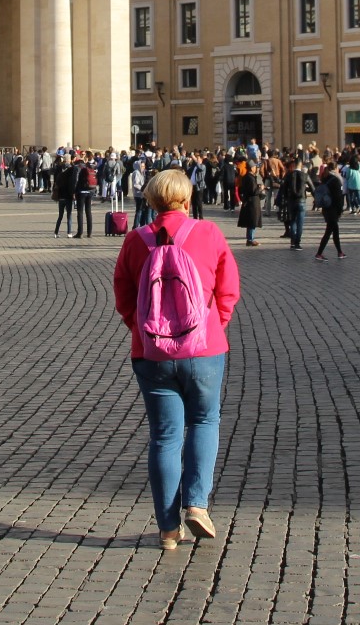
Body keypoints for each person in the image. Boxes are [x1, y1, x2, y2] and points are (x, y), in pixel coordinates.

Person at [109, 169, 239, 551]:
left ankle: (168, 530)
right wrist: (212, 326)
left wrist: (142, 328)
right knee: (204, 420)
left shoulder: (135, 240)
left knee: (164, 436)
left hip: (150, 352)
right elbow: (229, 289)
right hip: (204, 348)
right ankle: (196, 504)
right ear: (187, 199)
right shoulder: (209, 233)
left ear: (150, 201)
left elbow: (123, 294)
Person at [313, 164, 346, 260]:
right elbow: (338, 198)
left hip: (326, 209)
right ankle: (319, 253)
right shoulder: (335, 181)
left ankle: (340, 252)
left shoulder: (325, 179)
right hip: (333, 210)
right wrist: (340, 211)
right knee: (328, 232)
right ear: (335, 169)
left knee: (335, 231)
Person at [236, 160, 261, 247]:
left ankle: (250, 238)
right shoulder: (250, 178)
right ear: (252, 168)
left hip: (249, 201)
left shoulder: (246, 177)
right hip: (252, 202)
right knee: (252, 221)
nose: (256, 169)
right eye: (255, 167)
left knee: (251, 221)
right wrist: (261, 188)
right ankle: (250, 239)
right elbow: (253, 191)